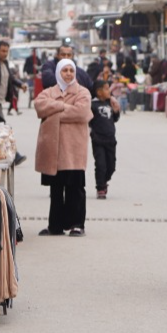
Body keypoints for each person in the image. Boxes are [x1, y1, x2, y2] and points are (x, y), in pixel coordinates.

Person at [34, 59, 93, 236]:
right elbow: (39, 106)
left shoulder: (83, 92)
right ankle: (55, 226)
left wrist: (53, 112)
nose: (68, 73)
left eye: (71, 70)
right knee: (56, 189)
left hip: (73, 149)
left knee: (75, 188)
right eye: (65, 70)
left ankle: (77, 224)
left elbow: (82, 112)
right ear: (58, 72)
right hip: (54, 150)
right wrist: (63, 106)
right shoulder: (49, 92)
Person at [89, 79, 121, 199]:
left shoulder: (110, 103)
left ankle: (104, 179)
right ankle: (100, 187)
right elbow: (88, 121)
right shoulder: (92, 105)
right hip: (98, 140)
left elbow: (115, 119)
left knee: (111, 166)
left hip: (111, 140)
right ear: (99, 92)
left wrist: (116, 111)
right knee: (100, 164)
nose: (109, 91)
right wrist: (91, 132)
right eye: (107, 89)